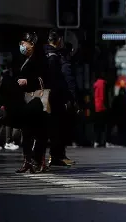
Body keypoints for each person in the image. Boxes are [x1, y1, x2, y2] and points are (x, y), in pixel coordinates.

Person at [16, 32, 49, 173]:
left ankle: (38, 160)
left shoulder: (40, 59)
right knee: (26, 132)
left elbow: (46, 79)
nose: (22, 46)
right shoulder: (23, 59)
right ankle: (27, 161)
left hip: (38, 98)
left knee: (39, 131)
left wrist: (28, 81)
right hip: (26, 99)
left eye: (24, 43)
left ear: (32, 44)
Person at [44, 29, 77, 167]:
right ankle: (56, 156)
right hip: (56, 97)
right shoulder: (56, 57)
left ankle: (53, 156)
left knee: (52, 129)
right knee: (58, 128)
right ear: (59, 41)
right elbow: (64, 78)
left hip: (47, 96)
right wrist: (72, 96)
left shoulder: (43, 54)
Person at [93, 74, 108, 148]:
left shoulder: (95, 84)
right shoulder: (103, 83)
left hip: (96, 106)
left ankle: (96, 141)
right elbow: (103, 96)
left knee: (97, 125)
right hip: (102, 107)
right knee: (102, 126)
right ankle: (102, 141)